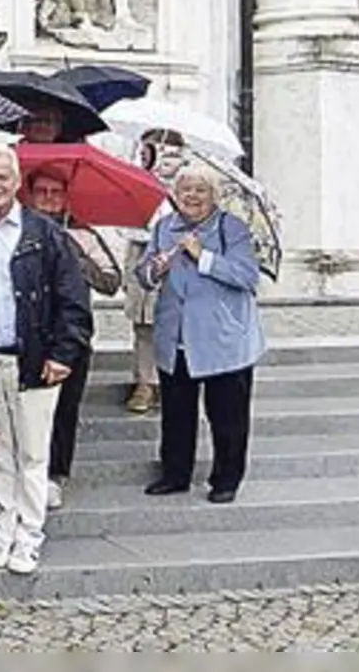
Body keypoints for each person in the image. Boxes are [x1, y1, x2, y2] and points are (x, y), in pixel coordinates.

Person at [0, 145, 92, 575]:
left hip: (36, 362)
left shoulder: (45, 233)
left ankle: (29, 535)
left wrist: (64, 353)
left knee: (32, 455)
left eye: (2, 178)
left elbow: (73, 299)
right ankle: (2, 527)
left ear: (15, 183)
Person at [139, 163, 265, 505]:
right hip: (175, 335)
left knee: (227, 416)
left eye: (200, 190)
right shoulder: (165, 227)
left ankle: (226, 479)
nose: (191, 196)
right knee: (177, 413)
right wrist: (154, 268)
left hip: (223, 338)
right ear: (175, 195)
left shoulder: (232, 228)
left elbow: (247, 276)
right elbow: (143, 274)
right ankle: (175, 474)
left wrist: (203, 256)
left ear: (214, 195)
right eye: (185, 190)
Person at [27, 169, 123, 509]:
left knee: (64, 410)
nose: (49, 198)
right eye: (41, 191)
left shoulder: (83, 233)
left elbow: (112, 281)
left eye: (56, 191)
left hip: (71, 335)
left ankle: (56, 473)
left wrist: (74, 253)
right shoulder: (19, 229)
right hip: (31, 336)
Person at [122, 130, 186, 413]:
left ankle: (170, 377)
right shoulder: (135, 179)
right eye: (159, 153)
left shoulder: (188, 185)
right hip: (143, 248)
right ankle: (144, 381)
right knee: (143, 320)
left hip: (179, 253)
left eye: (173, 154)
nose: (165, 161)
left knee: (173, 319)